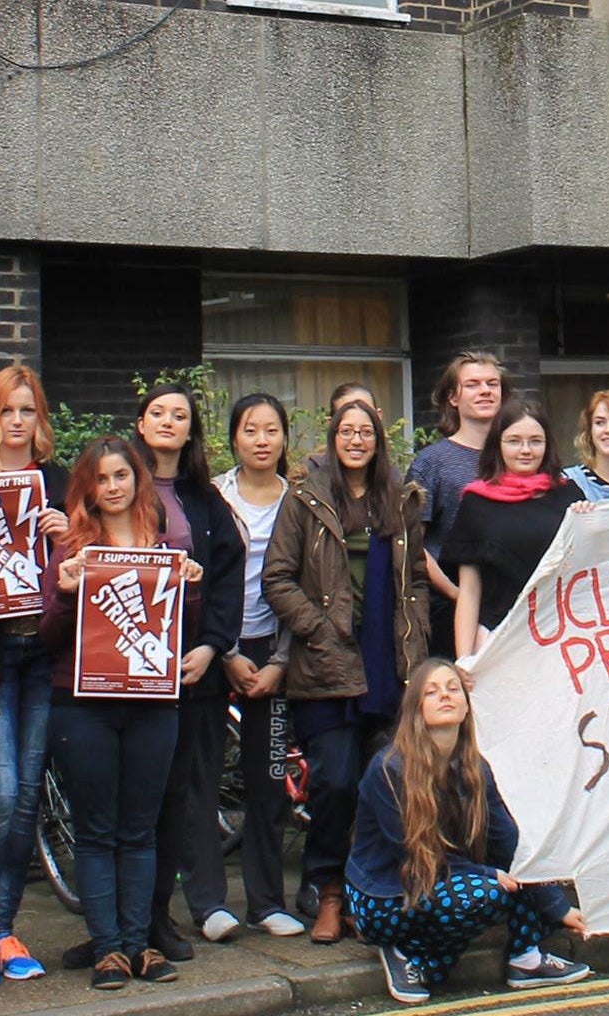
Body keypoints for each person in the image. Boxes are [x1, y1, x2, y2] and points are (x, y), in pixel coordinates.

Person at [263, 397, 431, 945]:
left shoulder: (400, 499)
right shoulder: (306, 498)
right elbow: (278, 577)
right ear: (333, 439)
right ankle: (327, 889)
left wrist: (418, 637)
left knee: (378, 782)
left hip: (388, 661)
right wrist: (317, 627)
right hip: (327, 662)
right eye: (347, 431)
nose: (356, 440)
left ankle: (366, 894)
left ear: (378, 440)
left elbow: (417, 582)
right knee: (333, 782)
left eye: (366, 432)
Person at [40, 436, 204, 990]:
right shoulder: (74, 550)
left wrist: (192, 589)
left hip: (152, 706)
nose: (112, 487)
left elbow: (176, 629)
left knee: (140, 830)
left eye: (121, 476)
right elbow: (47, 634)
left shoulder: (162, 549)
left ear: (137, 480)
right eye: (101, 479)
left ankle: (139, 944)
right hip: (83, 707)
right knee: (97, 832)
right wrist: (66, 593)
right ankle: (108, 949)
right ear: (86, 489)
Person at [346, 659, 589, 1004]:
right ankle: (405, 955)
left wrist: (557, 906)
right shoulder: (390, 769)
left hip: (439, 880)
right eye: (431, 692)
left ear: (465, 705)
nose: (444, 696)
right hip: (384, 896)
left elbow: (507, 840)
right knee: (489, 890)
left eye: (452, 688)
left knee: (517, 871)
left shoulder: (476, 767)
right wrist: (488, 874)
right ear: (416, 708)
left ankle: (525, 959)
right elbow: (416, 854)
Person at [0, 366, 70, 987]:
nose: (18, 421)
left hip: (41, 655)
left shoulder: (55, 483)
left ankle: (5, 928)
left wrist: (66, 536)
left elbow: (85, 569)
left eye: (28, 410)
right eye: (7, 411)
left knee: (27, 798)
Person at [133, 385, 245, 960]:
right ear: (141, 423)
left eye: (181, 415)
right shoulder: (116, 483)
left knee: (192, 788)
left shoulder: (204, 498)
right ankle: (133, 919)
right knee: (141, 792)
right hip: (129, 665)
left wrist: (212, 646)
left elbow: (227, 579)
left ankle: (199, 905)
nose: (169, 423)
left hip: (194, 664)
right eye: (159, 413)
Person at [195, 392, 303, 940]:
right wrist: (228, 651)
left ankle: (266, 901)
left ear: (285, 438)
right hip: (214, 649)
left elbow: (310, 586)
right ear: (233, 437)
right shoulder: (213, 496)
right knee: (204, 774)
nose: (262, 440)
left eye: (271, 430)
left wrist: (280, 661)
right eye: (250, 430)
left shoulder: (302, 501)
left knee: (269, 778)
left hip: (276, 653)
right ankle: (210, 903)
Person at [440, 398, 587, 657]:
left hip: (564, 638)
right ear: (497, 444)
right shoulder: (476, 503)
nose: (526, 450)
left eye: (535, 441)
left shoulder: (569, 495)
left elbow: (590, 567)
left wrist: (589, 522)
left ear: (547, 445)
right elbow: (470, 590)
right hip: (499, 640)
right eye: (514, 440)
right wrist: (464, 660)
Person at [406, 353, 505, 656]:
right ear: (452, 397)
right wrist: (455, 593)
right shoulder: (432, 463)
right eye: (473, 385)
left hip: (511, 606)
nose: (485, 391)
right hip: (449, 609)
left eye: (492, 383)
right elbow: (412, 542)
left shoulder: (518, 454)